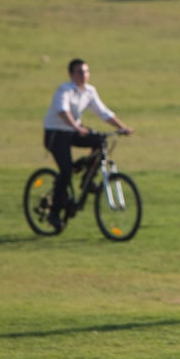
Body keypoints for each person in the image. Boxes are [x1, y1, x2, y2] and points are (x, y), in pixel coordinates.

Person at [41, 59, 133, 232]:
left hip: (73, 131)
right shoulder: (64, 90)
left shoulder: (89, 92)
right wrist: (76, 126)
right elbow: (63, 111)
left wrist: (122, 127)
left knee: (100, 142)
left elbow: (103, 112)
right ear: (71, 75)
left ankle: (86, 180)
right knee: (66, 171)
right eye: (79, 72)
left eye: (86, 71)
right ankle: (54, 212)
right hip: (56, 133)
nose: (84, 75)